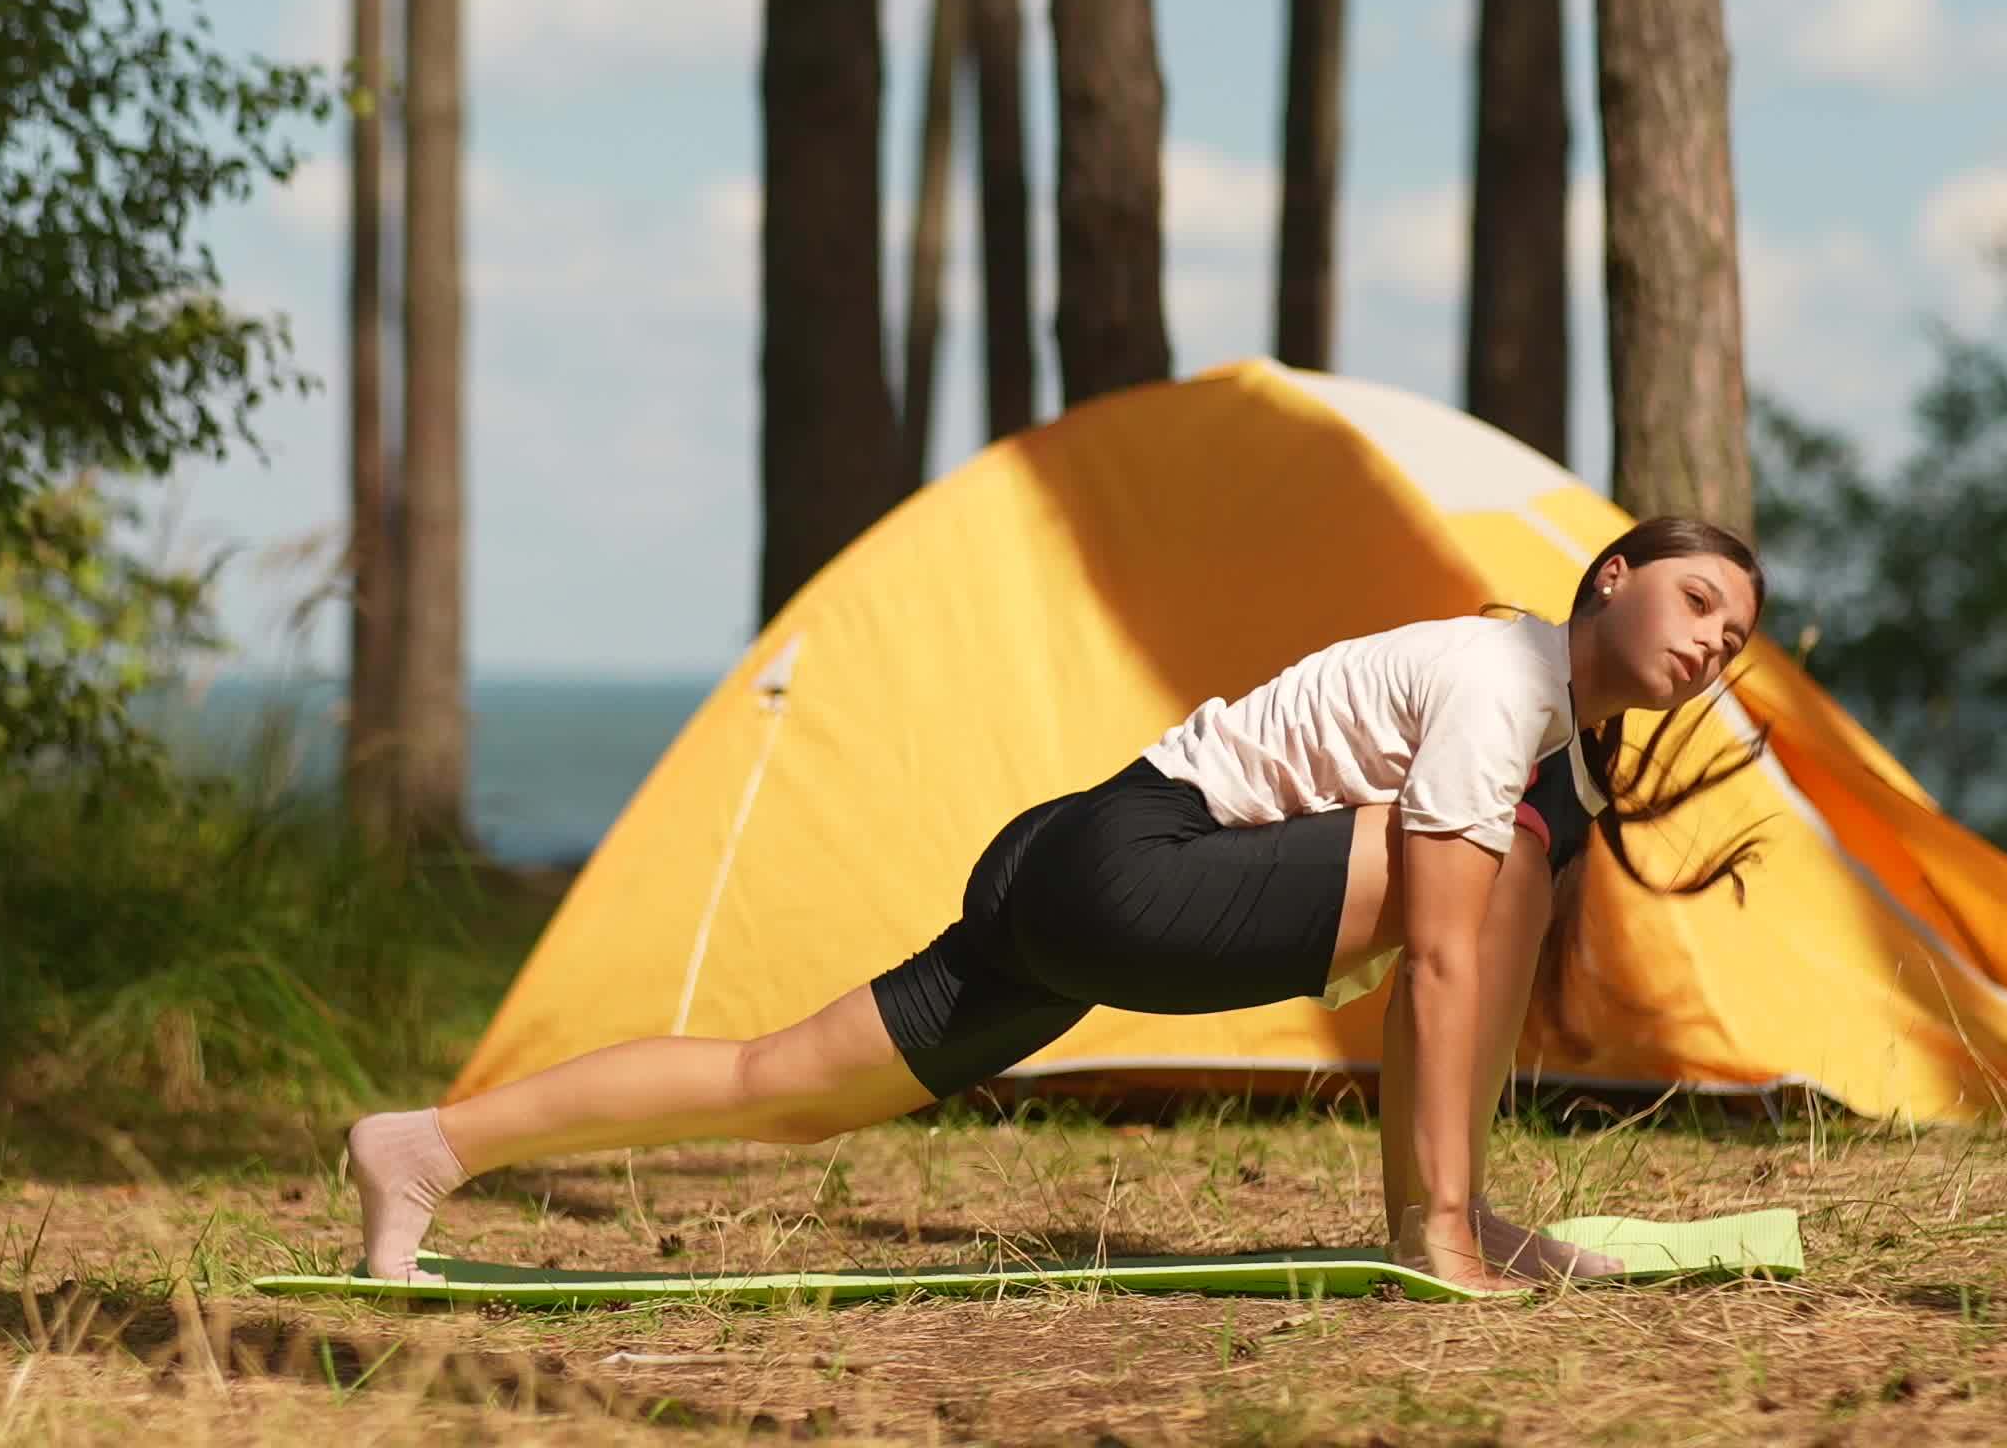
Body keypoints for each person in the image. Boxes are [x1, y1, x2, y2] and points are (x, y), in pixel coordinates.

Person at [345, 516, 1767, 1295]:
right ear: (1613, 577)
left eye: (1738, 638)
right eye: (1698, 599)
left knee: (779, 1083)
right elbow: (1449, 971)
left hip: (1079, 869)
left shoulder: (1560, 753)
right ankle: (1435, 1219)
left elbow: (1463, 967)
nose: (1712, 642)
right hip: (1131, 868)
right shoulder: (1499, 680)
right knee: (1494, 871)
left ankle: (424, 1148)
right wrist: (1450, 1232)